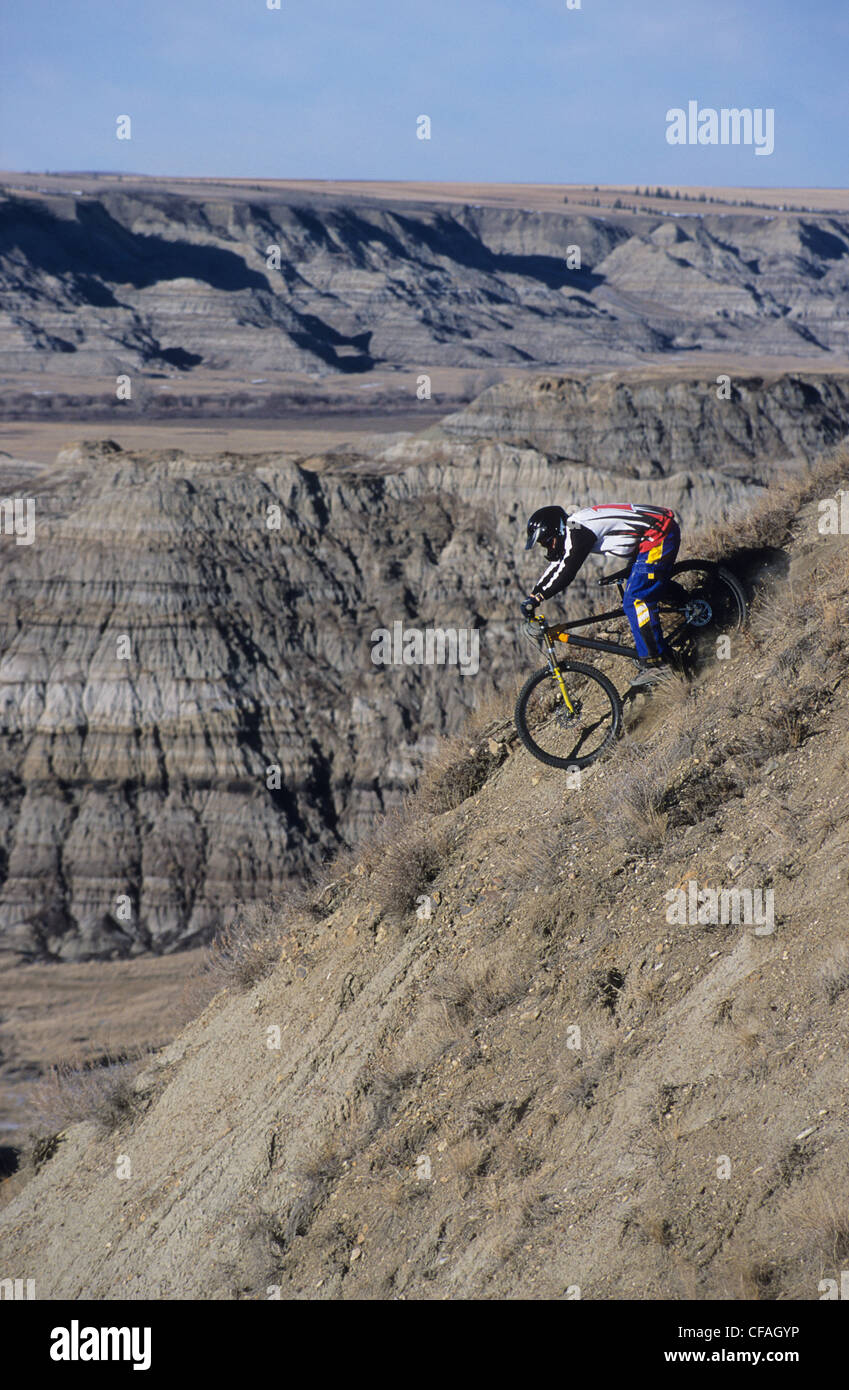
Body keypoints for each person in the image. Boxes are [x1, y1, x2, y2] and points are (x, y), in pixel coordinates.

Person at [521, 502, 681, 687]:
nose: (547, 547)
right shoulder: (574, 527)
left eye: (547, 542)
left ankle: (658, 662)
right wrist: (534, 595)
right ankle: (684, 602)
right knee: (643, 584)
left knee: (636, 599)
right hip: (649, 537)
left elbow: (567, 570)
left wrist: (539, 597)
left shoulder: (577, 530)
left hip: (658, 536)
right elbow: (559, 564)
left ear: (556, 530)